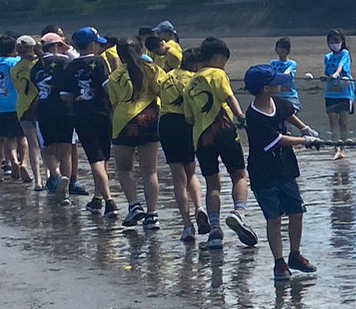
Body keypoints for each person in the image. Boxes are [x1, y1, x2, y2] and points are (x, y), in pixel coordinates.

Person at [242, 63, 320, 282]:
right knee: (274, 218)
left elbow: (289, 113)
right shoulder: (254, 116)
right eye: (275, 83)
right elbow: (278, 140)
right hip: (263, 173)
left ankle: (295, 254)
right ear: (265, 88)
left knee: (297, 212)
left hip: (286, 169)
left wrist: (305, 128)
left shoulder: (277, 102)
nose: (280, 86)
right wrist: (304, 141)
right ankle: (279, 262)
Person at [186, 36, 258, 250]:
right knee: (239, 174)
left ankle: (215, 230)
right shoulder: (217, 74)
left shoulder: (190, 83)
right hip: (224, 130)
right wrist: (241, 116)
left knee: (212, 184)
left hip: (201, 137)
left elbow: (189, 118)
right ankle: (239, 212)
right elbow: (228, 97)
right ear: (218, 57)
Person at [60, 27, 118, 218]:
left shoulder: (70, 67)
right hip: (103, 113)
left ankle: (101, 199)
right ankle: (107, 200)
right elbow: (108, 88)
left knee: (96, 158)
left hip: (82, 116)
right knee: (102, 158)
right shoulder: (99, 62)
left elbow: (65, 96)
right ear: (92, 44)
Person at [108, 38, 162, 229]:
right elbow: (161, 91)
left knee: (124, 169)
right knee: (150, 171)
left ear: (120, 55)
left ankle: (134, 205)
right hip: (149, 120)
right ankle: (152, 215)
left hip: (123, 123)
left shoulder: (115, 76)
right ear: (141, 51)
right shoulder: (152, 69)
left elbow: (114, 102)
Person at [158, 51, 206, 243]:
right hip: (186, 123)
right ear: (196, 65)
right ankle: (199, 207)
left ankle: (187, 225)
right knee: (191, 172)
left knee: (178, 177)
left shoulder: (166, 76)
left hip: (167, 123)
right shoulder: (193, 80)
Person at [31, 33, 75, 201]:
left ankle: (56, 176)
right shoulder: (65, 62)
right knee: (66, 151)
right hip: (65, 109)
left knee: (47, 149)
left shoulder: (36, 66)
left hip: (44, 109)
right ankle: (66, 190)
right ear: (56, 46)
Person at [0, 36, 27, 183]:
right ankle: (23, 163)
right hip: (16, 104)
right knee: (21, 137)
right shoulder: (15, 62)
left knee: (1, 139)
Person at [12, 35, 43, 189]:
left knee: (32, 144)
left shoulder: (14, 69)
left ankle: (37, 180)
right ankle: (50, 175)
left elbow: (18, 88)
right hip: (40, 105)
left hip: (23, 107)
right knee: (44, 144)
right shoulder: (39, 64)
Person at [322, 29, 354, 160]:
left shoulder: (345, 53)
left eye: (336, 41)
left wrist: (336, 73)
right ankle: (336, 147)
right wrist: (326, 77)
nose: (334, 44)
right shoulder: (327, 57)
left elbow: (341, 66)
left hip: (345, 92)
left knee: (343, 122)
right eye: (331, 42)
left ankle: (343, 147)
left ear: (341, 41)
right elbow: (327, 72)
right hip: (331, 93)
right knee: (333, 120)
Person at [271, 38, 301, 113]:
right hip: (277, 97)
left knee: (290, 116)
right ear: (276, 49)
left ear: (288, 50)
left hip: (290, 96)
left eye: (285, 48)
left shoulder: (292, 63)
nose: (282, 50)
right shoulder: (273, 63)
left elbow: (286, 74)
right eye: (280, 47)